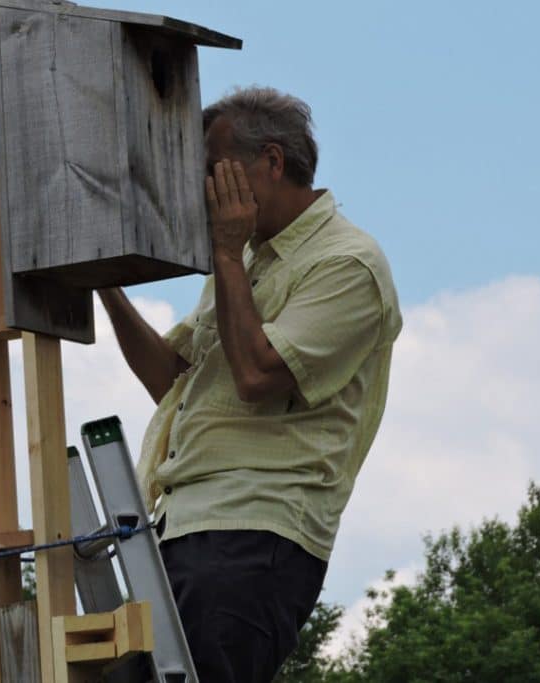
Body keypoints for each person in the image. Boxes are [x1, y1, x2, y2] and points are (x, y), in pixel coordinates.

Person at [98, 86, 402, 682]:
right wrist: (104, 285)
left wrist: (228, 256)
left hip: (256, 533)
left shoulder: (348, 265)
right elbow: (173, 379)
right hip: (182, 527)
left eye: (215, 170)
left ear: (271, 161)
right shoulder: (246, 259)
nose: (205, 190)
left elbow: (257, 375)